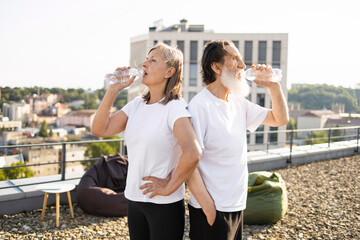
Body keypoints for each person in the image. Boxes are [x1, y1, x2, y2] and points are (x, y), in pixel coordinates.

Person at [91, 43, 215, 240]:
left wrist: (169, 187)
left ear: (169, 71)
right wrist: (113, 89)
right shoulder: (137, 105)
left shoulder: (174, 107)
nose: (144, 64)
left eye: (153, 60)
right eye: (146, 60)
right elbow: (100, 129)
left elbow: (193, 152)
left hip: (164, 206)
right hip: (134, 200)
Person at [187, 40, 289, 240]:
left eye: (241, 59)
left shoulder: (238, 102)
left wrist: (273, 86)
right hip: (212, 208)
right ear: (216, 67)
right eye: (235, 59)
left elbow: (280, 119)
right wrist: (209, 208)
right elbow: (189, 162)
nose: (243, 65)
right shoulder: (200, 106)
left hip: (236, 205)